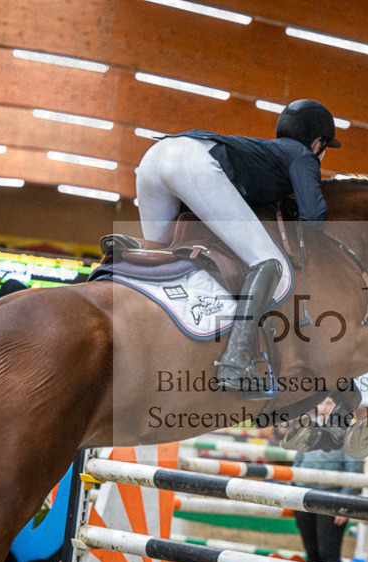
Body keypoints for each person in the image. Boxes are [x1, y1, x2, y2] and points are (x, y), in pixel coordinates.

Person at [133, 99, 341, 391]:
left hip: (153, 158)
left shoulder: (265, 152)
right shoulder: (302, 155)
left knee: (159, 259)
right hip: (192, 163)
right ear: (318, 143)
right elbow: (313, 216)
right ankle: (235, 362)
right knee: (271, 264)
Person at [291, 397, 366, 562]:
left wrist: (344, 504)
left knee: (329, 556)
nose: (324, 408)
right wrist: (292, 494)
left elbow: (354, 473)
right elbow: (297, 464)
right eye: (322, 403)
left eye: (331, 403)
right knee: (312, 555)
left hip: (332, 502)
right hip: (304, 501)